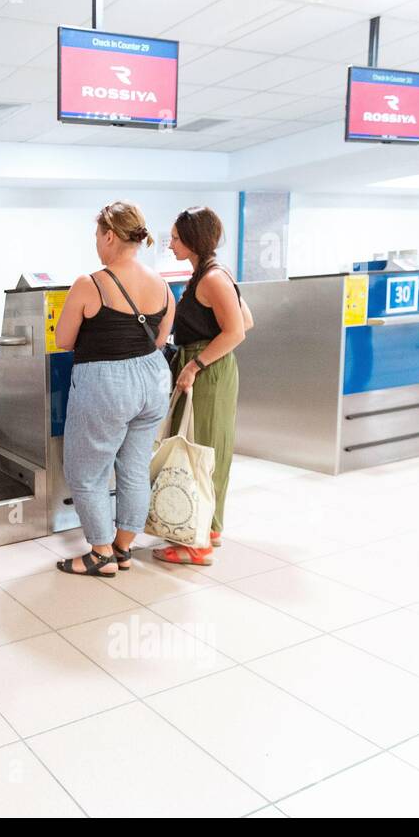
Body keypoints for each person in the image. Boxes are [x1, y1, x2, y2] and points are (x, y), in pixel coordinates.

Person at [53, 201, 174, 578]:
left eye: (96, 236)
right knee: (135, 468)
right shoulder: (163, 285)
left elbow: (63, 339)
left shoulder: (90, 283)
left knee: (87, 472)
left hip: (106, 384)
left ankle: (100, 553)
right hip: (153, 381)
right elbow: (160, 339)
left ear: (108, 235)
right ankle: (123, 547)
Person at [153, 205, 252, 566]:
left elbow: (238, 330)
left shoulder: (212, 278)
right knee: (211, 446)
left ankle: (197, 545)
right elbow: (247, 318)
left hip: (208, 369)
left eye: (176, 238)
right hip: (210, 366)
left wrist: (195, 364)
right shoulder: (209, 274)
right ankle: (208, 527)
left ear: (193, 240)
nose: (171, 245)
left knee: (201, 449)